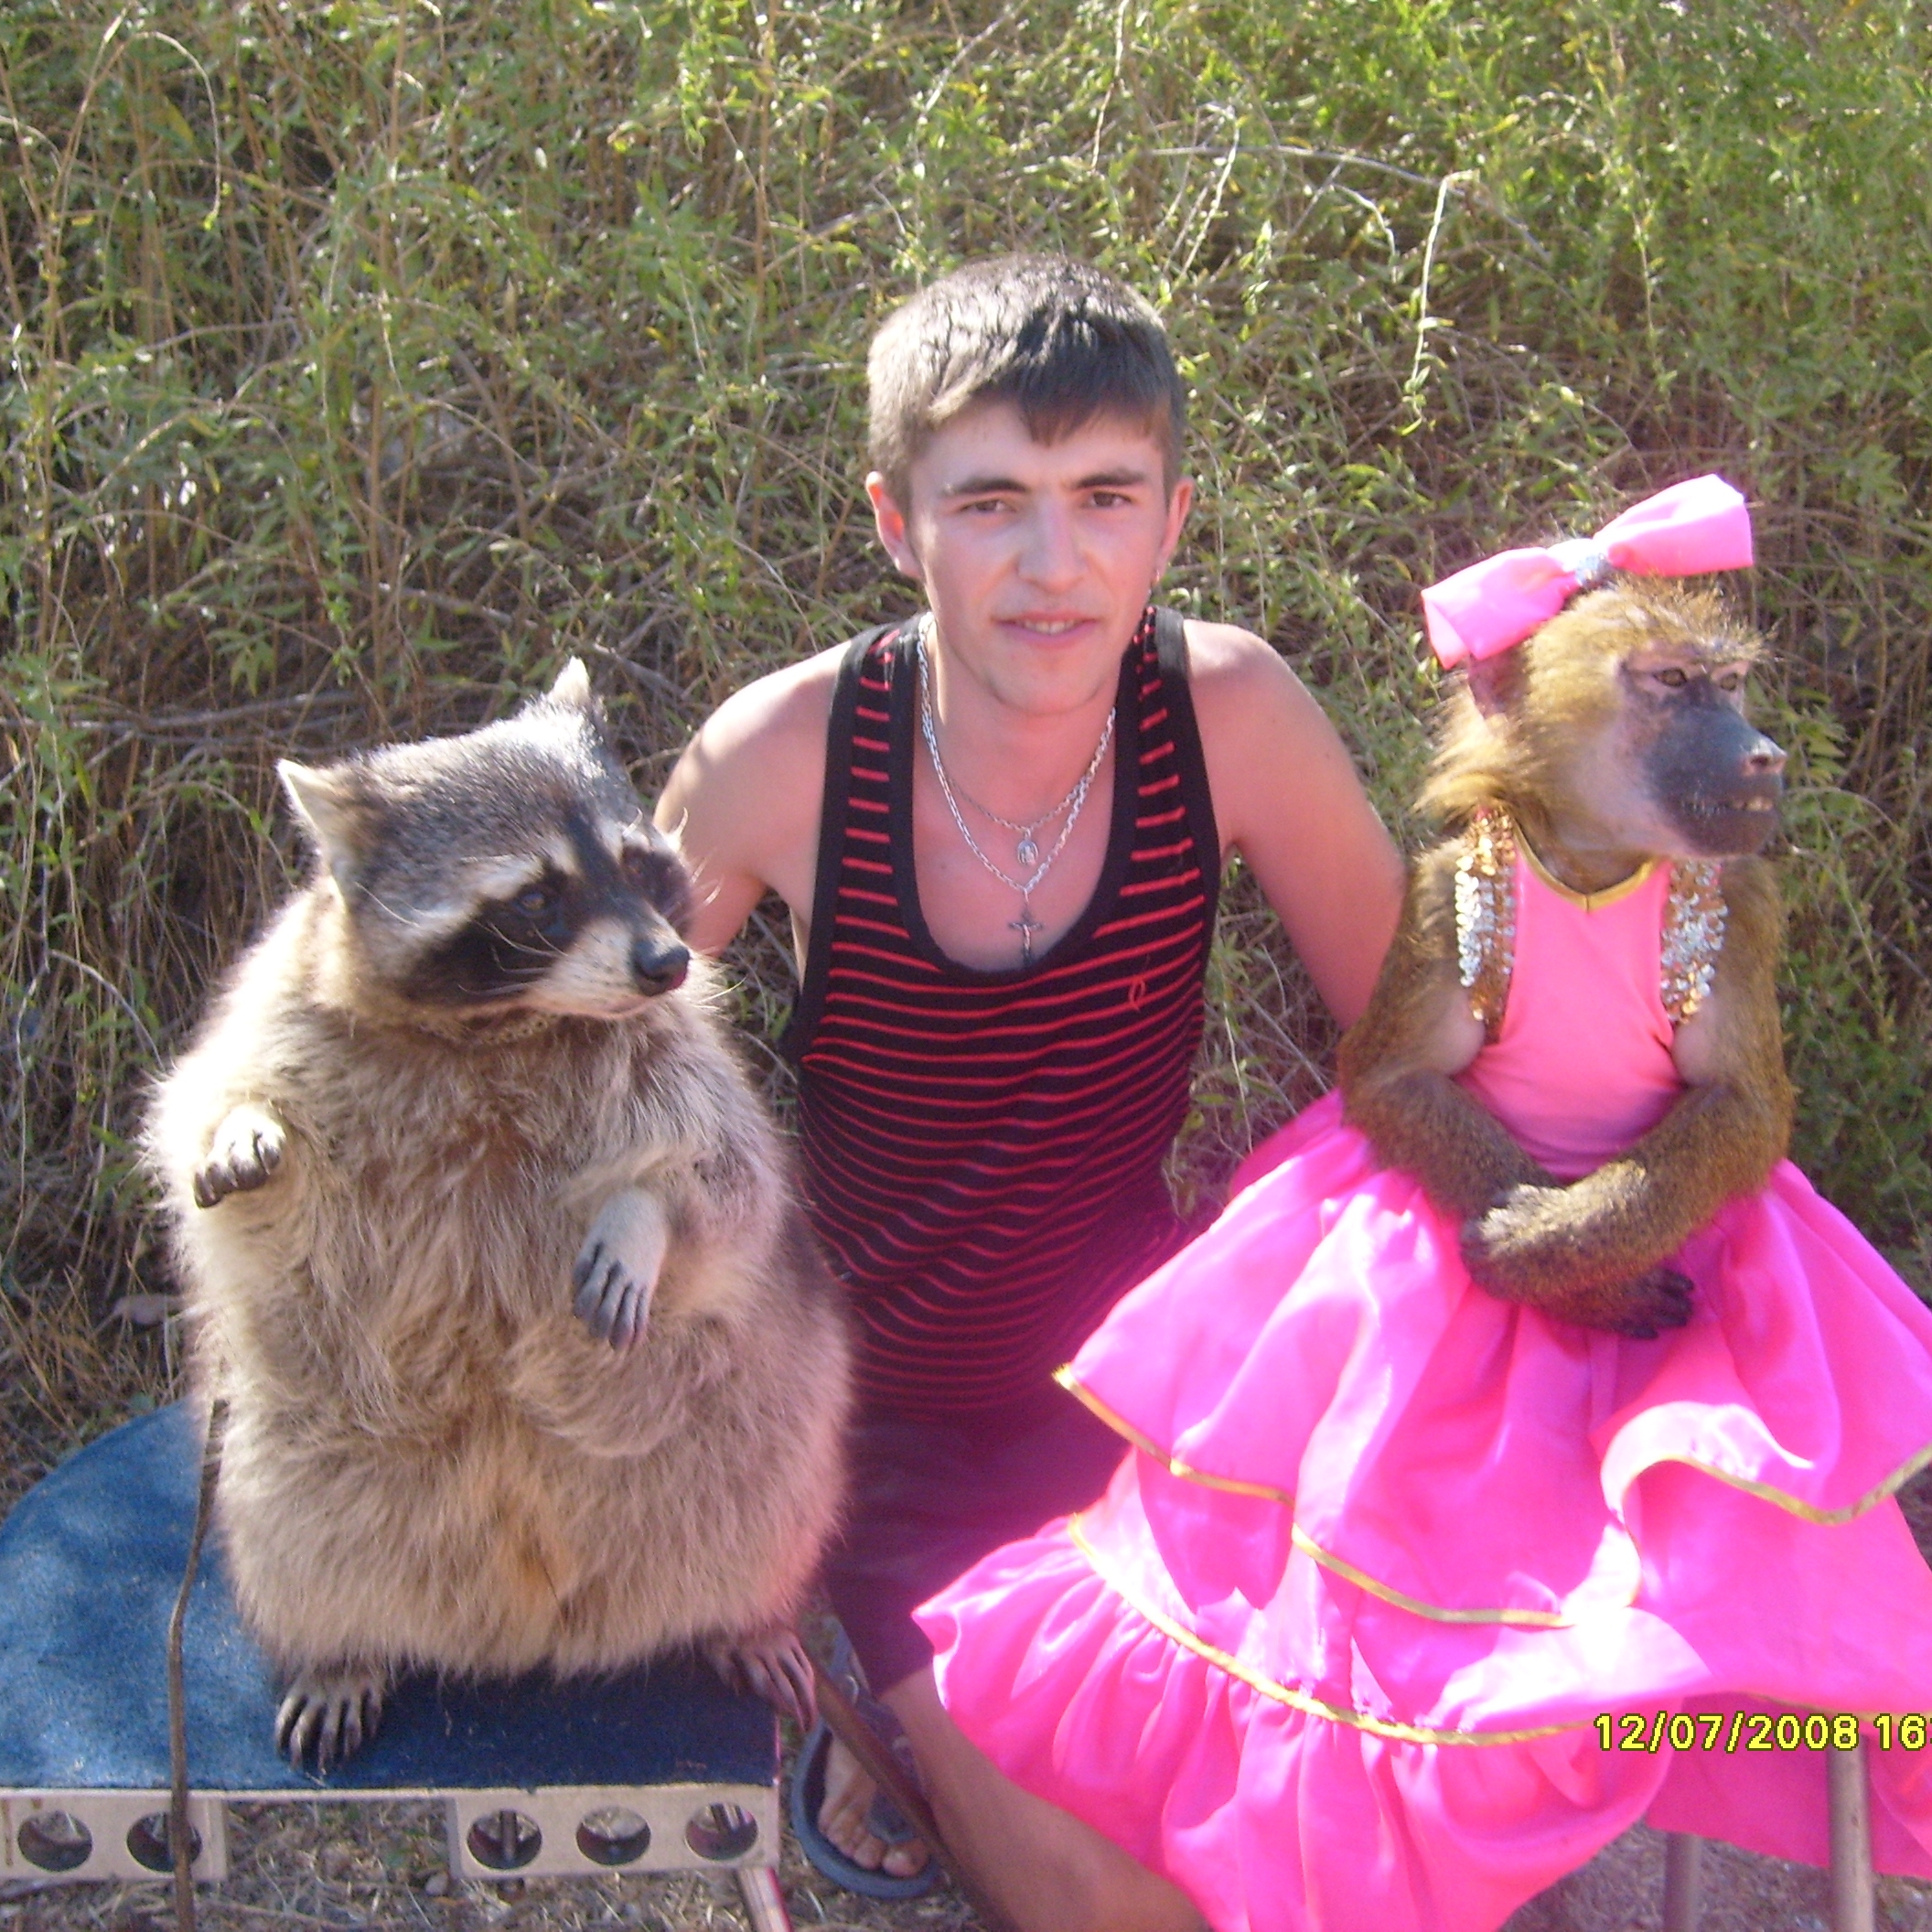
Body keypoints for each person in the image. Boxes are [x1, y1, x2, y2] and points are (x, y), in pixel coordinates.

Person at [915, 497, 1932, 1932]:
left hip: (1674, 1266)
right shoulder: (1475, 890)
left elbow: (1743, 1113)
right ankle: (1378, 1844)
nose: (1742, 745)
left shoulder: (1716, 904)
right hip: (1449, 1256)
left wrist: (1589, 1238)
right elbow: (1393, 1080)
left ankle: (1669, 1765)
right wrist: (1523, 1231)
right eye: (1669, 694)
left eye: (1722, 693)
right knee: (1383, 1605)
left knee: (1741, 1599)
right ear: (1518, 705)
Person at [654, 253, 1404, 1928]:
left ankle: (941, 1736)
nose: (1054, 564)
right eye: (990, 502)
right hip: (877, 1424)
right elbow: (575, 1089)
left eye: (1105, 498)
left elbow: (1414, 1046)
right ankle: (894, 1713)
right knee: (1111, 1908)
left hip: (1143, 1394)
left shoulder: (1230, 717)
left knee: (1347, 1833)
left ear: (1173, 518)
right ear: (895, 523)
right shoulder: (780, 759)